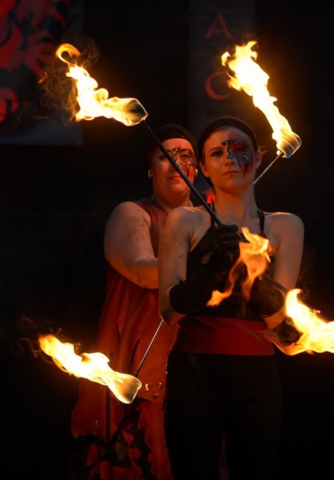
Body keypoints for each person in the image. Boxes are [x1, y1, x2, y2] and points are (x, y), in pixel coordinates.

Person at [158, 116, 305, 480]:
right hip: (194, 373)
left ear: (257, 156)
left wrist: (249, 273)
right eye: (217, 152)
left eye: (239, 149)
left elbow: (286, 334)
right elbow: (168, 311)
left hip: (257, 378)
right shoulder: (184, 221)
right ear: (203, 168)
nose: (229, 158)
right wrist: (211, 273)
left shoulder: (286, 226)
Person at [69, 124, 199, 480]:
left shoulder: (212, 226)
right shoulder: (133, 213)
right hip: (136, 368)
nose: (177, 161)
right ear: (150, 170)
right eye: (165, 155)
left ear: (198, 170)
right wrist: (204, 263)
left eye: (186, 155)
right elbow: (143, 271)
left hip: (196, 367)